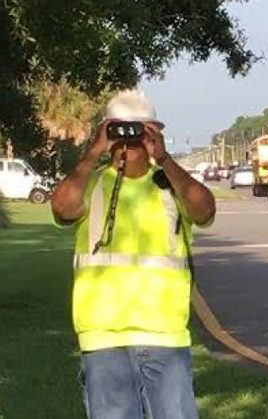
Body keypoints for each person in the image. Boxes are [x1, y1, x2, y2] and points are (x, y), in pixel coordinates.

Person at [51, 90, 215, 419]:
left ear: (154, 132)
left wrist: (165, 160)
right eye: (119, 131)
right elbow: (62, 207)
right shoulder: (93, 184)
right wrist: (93, 152)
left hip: (164, 336)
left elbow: (205, 209)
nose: (129, 140)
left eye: (138, 131)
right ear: (106, 132)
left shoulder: (171, 186)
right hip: (103, 337)